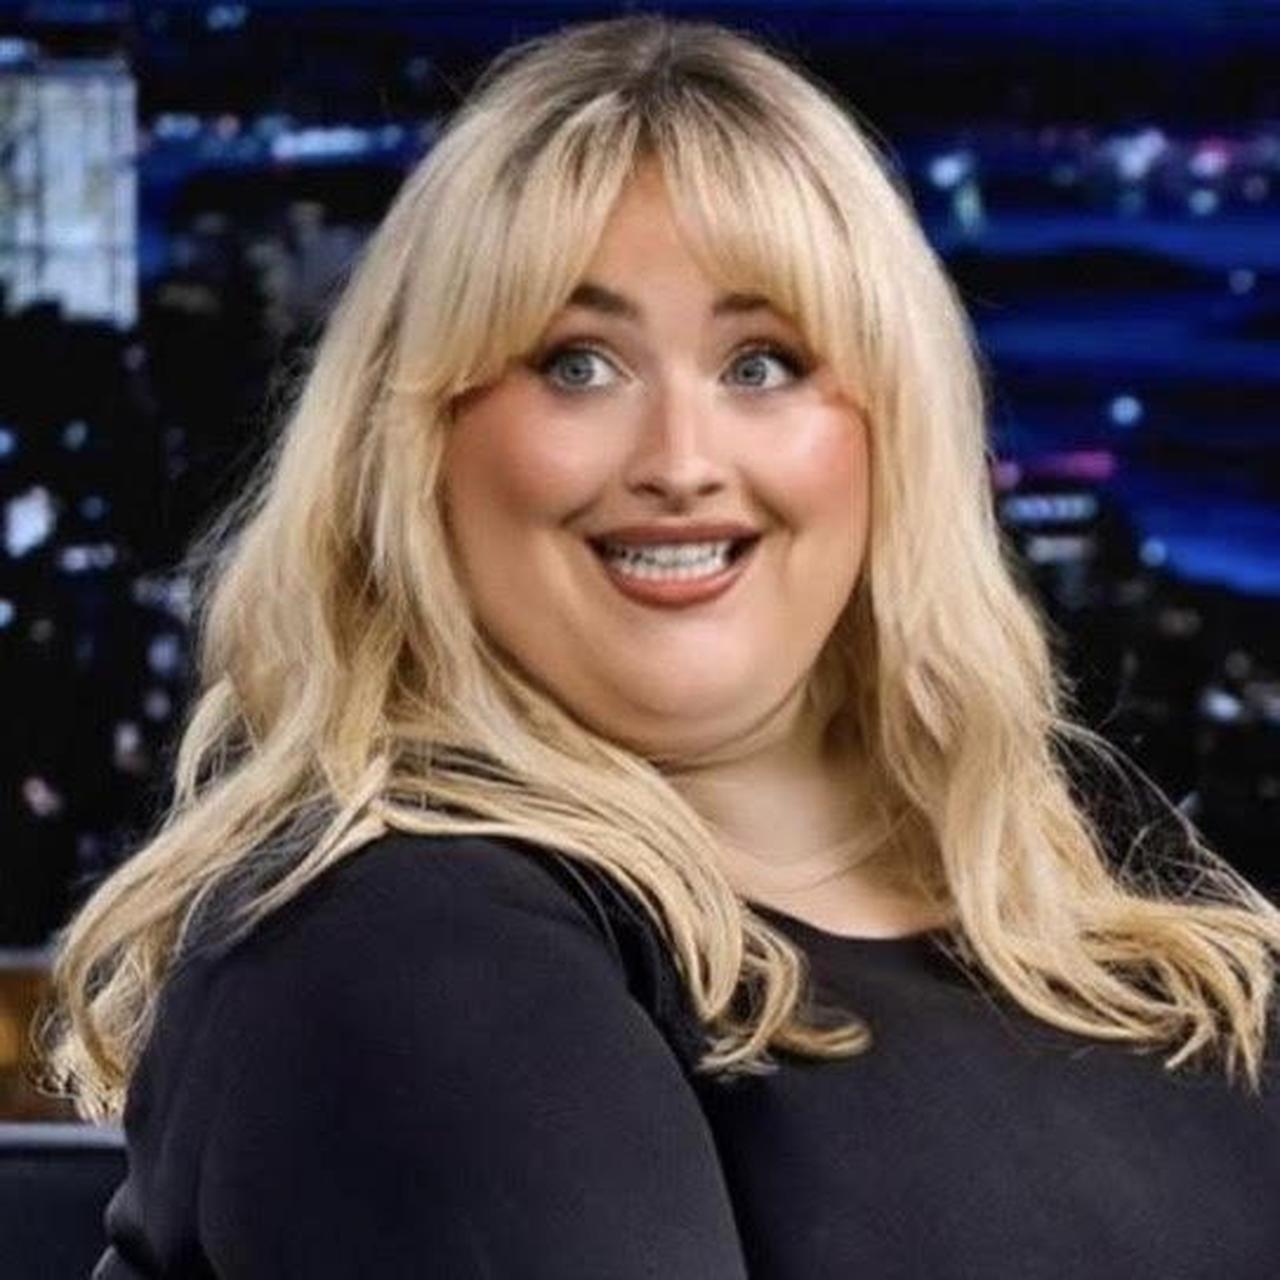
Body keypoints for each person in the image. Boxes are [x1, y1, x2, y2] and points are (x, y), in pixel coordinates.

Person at [37, 14, 1280, 1279]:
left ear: (890, 428)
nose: (680, 462)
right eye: (577, 365)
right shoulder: (391, 939)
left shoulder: (1090, 866)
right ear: (418, 446)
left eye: (762, 363)